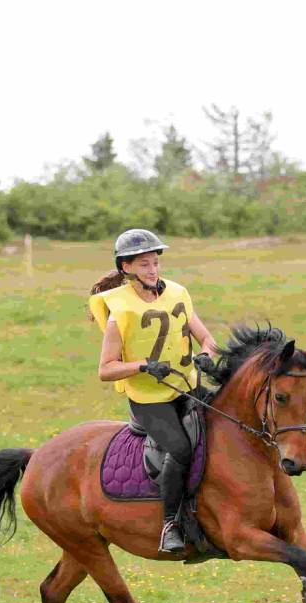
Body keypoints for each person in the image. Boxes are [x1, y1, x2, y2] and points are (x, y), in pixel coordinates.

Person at [88, 229, 218, 553]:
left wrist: (206, 356)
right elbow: (105, 369)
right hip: (149, 400)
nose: (153, 270)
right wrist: (143, 366)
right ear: (126, 268)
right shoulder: (121, 311)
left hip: (185, 388)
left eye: (156, 263)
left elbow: (207, 339)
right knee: (181, 449)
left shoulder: (177, 293)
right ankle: (170, 524)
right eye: (144, 264)